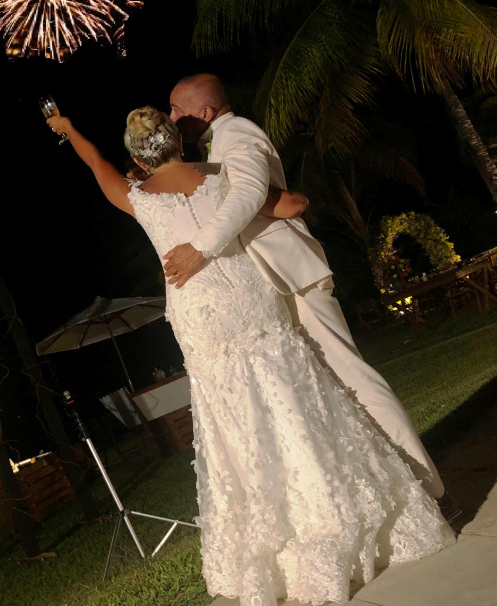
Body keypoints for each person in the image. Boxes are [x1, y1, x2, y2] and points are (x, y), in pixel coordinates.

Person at [45, 108, 454, 606]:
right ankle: (340, 506)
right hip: (250, 296)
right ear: (178, 141)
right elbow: (285, 204)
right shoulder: (220, 176)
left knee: (238, 416)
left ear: (138, 158)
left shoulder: (139, 199)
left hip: (200, 313)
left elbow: (96, 164)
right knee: (295, 397)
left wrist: (68, 130)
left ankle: (279, 531)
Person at [162, 73, 451, 509]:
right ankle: (394, 491)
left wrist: (201, 248)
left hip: (292, 274)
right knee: (328, 390)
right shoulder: (215, 146)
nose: (171, 118)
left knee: (353, 378)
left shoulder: (237, 132)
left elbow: (248, 192)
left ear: (205, 112)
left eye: (177, 109)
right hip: (271, 284)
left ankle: (430, 488)